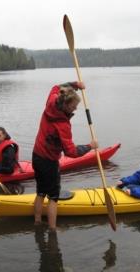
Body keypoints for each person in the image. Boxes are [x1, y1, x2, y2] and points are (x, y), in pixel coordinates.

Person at [33, 81, 98, 231]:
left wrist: (75, 84)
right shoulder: (63, 125)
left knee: (40, 192)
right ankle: (53, 229)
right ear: (67, 106)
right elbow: (71, 152)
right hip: (49, 161)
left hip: (36, 155)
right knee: (53, 198)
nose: (76, 108)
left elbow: (56, 86)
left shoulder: (52, 100)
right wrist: (90, 146)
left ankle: (37, 222)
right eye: (74, 106)